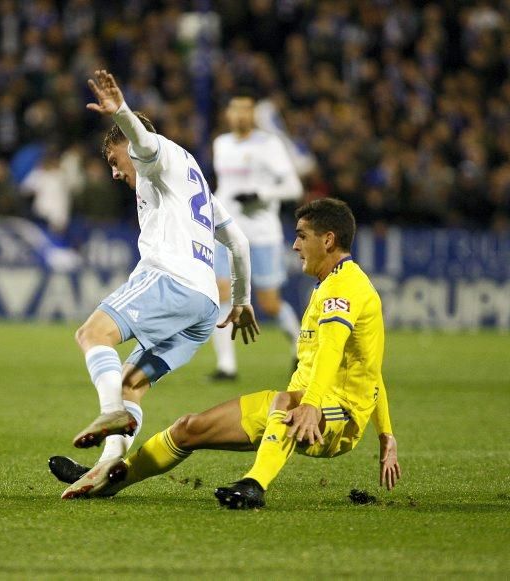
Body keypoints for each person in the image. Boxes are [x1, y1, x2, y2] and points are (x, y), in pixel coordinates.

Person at [61, 198, 401, 508]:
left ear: (327, 240)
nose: (295, 245)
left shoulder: (347, 288)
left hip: (338, 414)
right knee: (188, 428)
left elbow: (332, 352)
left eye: (302, 237)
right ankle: (107, 477)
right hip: (303, 400)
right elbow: (371, 368)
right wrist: (387, 434)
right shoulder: (329, 284)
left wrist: (312, 405)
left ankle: (254, 485)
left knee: (284, 404)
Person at [52, 70, 260, 493]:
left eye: (114, 161)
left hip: (171, 279)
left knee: (92, 334)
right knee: (133, 383)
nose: (114, 173)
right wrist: (240, 300)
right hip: (203, 306)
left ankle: (110, 411)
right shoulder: (193, 175)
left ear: (127, 146)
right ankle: (108, 469)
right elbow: (237, 241)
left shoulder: (157, 157)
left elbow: (143, 143)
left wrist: (121, 111)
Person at [209, 92, 304, 381]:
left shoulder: (269, 144)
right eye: (235, 109)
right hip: (226, 232)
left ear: (253, 115)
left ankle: (301, 349)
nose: (239, 115)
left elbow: (294, 188)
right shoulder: (221, 144)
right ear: (228, 115)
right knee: (222, 294)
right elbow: (224, 186)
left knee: (269, 303)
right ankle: (227, 366)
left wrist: (261, 195)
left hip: (261, 234)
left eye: (245, 110)